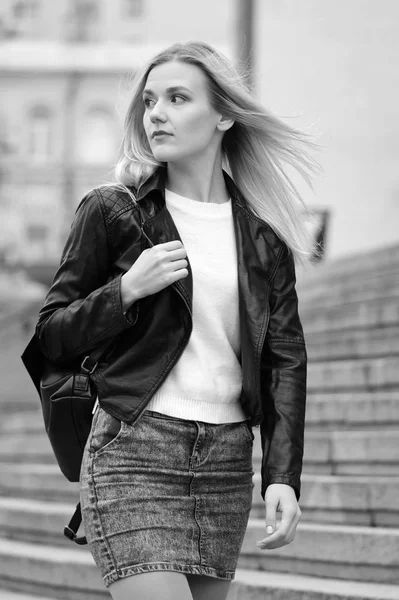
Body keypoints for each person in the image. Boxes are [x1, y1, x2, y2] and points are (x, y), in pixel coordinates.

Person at [35, 41, 319, 600]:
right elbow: (50, 336)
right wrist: (125, 291)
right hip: (133, 449)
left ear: (223, 115)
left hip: (225, 462)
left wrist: (282, 476)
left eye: (177, 98)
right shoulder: (114, 211)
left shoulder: (263, 238)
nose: (156, 113)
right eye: (149, 101)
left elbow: (285, 358)